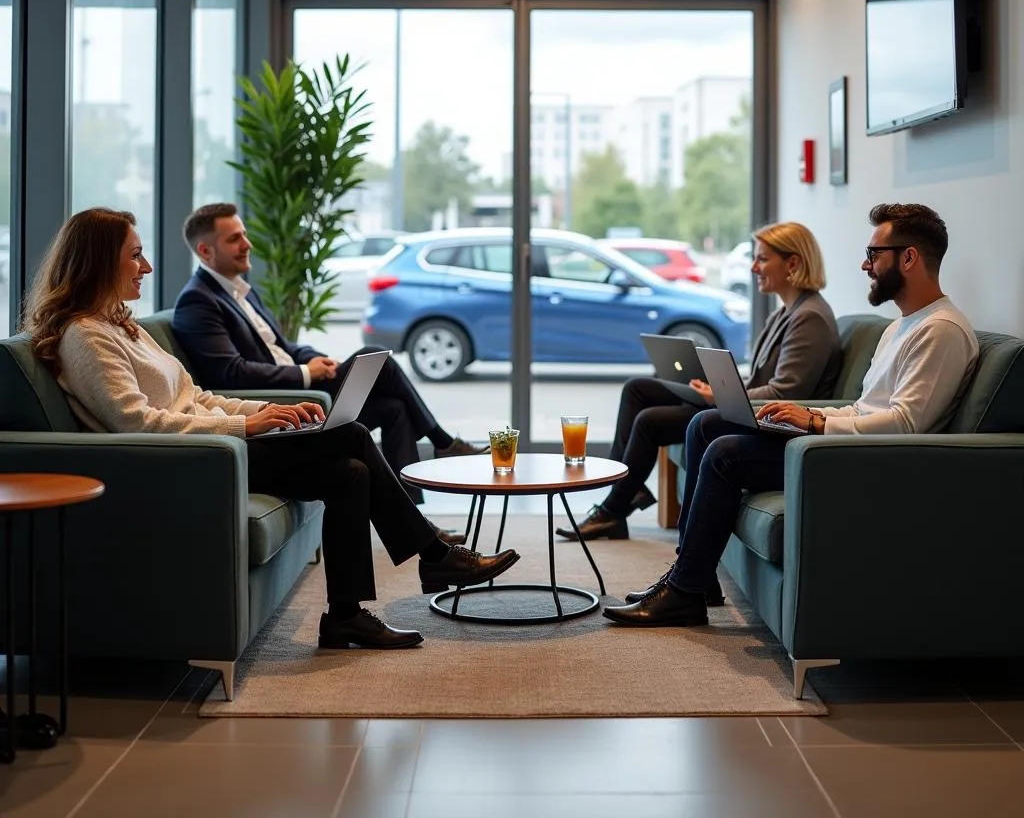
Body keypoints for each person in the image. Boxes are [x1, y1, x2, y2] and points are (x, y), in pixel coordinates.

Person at [24, 208, 521, 650]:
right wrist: (246, 426)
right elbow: (136, 422)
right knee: (349, 435)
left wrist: (265, 409)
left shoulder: (121, 327)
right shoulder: (86, 337)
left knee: (350, 472)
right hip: (198, 461)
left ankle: (345, 618)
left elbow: (196, 397)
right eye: (136, 257)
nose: (147, 267)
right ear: (98, 261)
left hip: (218, 444)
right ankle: (434, 555)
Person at [604, 203, 979, 629]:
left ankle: (685, 593)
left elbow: (906, 424)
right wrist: (803, 413)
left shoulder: (941, 330)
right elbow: (863, 406)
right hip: (843, 442)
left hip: (863, 461)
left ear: (908, 257)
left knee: (726, 453)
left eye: (873, 254)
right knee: (706, 423)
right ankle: (693, 575)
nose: (865, 264)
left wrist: (818, 422)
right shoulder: (901, 327)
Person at [172, 203, 485, 541]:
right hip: (288, 403)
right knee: (373, 357)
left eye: (244, 234)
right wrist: (306, 374)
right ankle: (442, 442)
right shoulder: (198, 302)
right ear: (205, 250)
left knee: (394, 410)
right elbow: (232, 374)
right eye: (235, 238)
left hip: (303, 389)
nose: (247, 244)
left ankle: (419, 524)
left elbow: (282, 347)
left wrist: (316, 359)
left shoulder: (239, 291)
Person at [557, 221, 842, 556]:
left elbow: (785, 394)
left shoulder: (809, 318)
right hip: (750, 408)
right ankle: (620, 497)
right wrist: (719, 385)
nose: (753, 267)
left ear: (792, 263)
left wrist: (720, 395)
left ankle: (615, 506)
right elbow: (763, 381)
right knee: (640, 389)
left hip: (769, 423)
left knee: (650, 419)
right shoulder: (786, 313)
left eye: (762, 259)